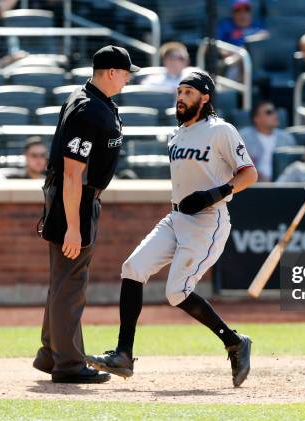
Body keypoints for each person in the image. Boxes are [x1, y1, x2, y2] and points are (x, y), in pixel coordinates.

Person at [85, 71, 258, 388]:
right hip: (177, 216)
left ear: (205, 98)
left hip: (208, 221)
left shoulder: (221, 130)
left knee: (176, 292)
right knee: (133, 268)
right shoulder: (177, 135)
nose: (180, 97)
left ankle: (234, 341)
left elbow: (249, 174)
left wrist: (213, 194)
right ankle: (124, 354)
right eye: (179, 91)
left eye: (188, 92)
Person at [33, 45, 139, 384]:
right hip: (74, 199)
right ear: (110, 72)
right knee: (71, 283)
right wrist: (74, 227)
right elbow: (71, 173)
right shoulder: (88, 108)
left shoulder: (94, 101)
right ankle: (69, 364)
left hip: (77, 197)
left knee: (63, 281)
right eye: (125, 72)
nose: (127, 78)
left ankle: (51, 353)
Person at [239, 100, 295, 181]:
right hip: (253, 185)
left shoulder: (287, 138)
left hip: (282, 185)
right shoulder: (243, 137)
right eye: (269, 112)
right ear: (256, 118)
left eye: (275, 111)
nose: (275, 115)